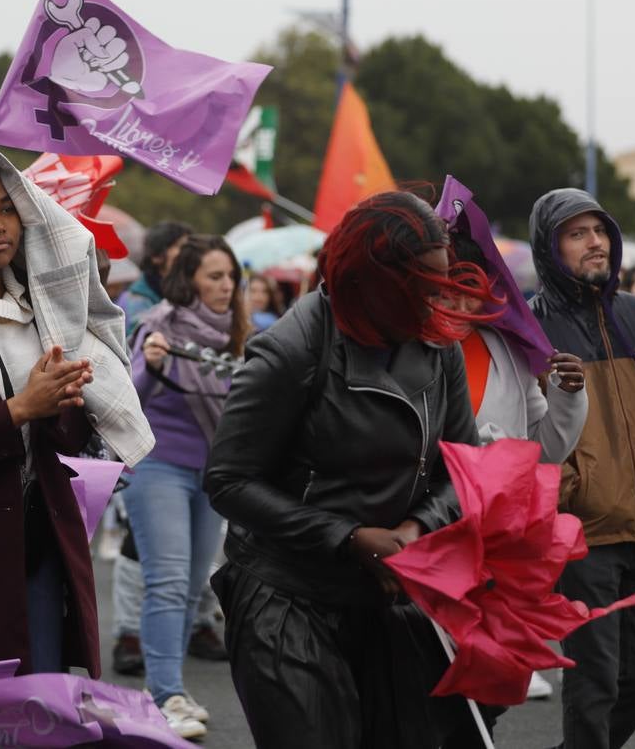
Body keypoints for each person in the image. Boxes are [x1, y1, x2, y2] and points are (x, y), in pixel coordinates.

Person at [204, 191, 489, 749]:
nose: (441, 295)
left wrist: (413, 531)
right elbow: (228, 481)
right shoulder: (290, 350)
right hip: (287, 598)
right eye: (425, 283)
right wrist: (349, 538)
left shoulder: (438, 345)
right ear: (376, 279)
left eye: (444, 278)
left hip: (391, 598)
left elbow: (465, 466)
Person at [0, 146, 152, 723]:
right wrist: (15, 411)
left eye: (7, 209)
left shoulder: (44, 304)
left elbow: (55, 432)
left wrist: (64, 403)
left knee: (37, 704)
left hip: (40, 535)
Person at [528, 188, 635, 749]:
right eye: (577, 234)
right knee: (594, 684)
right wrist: (573, 487)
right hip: (585, 535)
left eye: (599, 229)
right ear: (549, 248)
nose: (595, 242)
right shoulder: (531, 329)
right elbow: (524, 425)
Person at [443, 227, 589, 706]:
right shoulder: (406, 350)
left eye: (472, 292)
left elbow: (544, 452)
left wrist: (568, 398)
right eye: (449, 292)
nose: (462, 307)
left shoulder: (505, 347)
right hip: (432, 541)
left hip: (497, 545)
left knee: (487, 703)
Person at [125, 235, 249, 739]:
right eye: (214, 277)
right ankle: (164, 693)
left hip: (211, 474)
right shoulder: (158, 326)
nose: (226, 287)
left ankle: (171, 688)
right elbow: (129, 399)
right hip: (159, 467)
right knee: (170, 582)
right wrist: (153, 367)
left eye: (231, 277)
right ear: (189, 280)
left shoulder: (239, 334)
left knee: (195, 586)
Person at [112, 220, 194, 676]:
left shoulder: (188, 299)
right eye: (183, 249)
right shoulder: (138, 305)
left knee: (186, 558)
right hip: (147, 441)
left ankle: (196, 622)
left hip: (191, 443)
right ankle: (127, 630)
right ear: (160, 256)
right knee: (136, 545)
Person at [118, 221, 194, 338]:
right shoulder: (137, 301)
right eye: (181, 247)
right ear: (157, 256)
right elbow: (138, 344)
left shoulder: (188, 293)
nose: (189, 253)